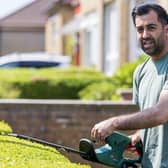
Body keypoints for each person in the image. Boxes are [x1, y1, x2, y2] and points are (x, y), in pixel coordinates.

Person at [91, 3, 168, 168]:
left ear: (166, 29)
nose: (145, 35)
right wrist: (139, 135)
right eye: (140, 30)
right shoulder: (140, 72)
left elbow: (161, 113)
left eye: (151, 28)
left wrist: (114, 123)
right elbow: (150, 118)